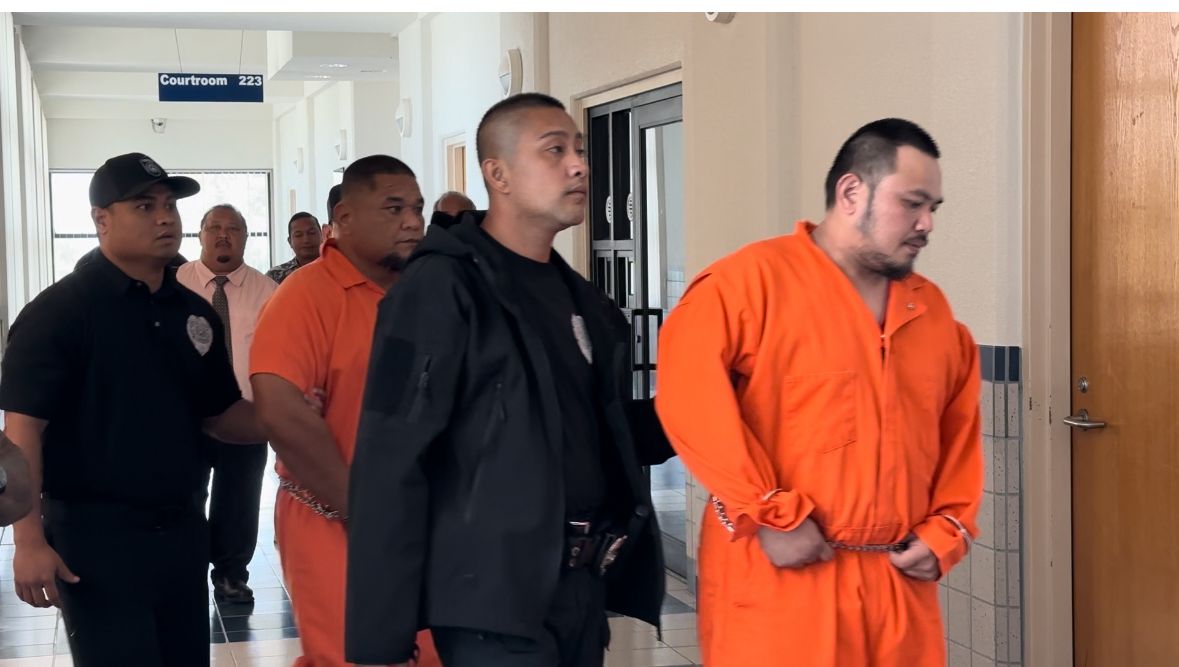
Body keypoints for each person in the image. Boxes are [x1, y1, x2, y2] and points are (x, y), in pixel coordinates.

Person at [345, 93, 672, 667]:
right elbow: (391, 460)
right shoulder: (442, 289)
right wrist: (382, 637)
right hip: (490, 605)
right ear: (498, 174)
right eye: (554, 150)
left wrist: (719, 398)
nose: (579, 164)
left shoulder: (584, 302)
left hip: (577, 590)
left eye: (579, 149)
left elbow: (607, 436)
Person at [654, 118, 984, 666]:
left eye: (935, 208)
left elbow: (959, 436)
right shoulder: (747, 287)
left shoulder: (932, 312)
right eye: (913, 203)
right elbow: (690, 402)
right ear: (852, 192)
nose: (927, 223)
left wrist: (947, 530)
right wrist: (766, 513)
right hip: (780, 582)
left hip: (897, 589)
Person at [0, 152, 265, 666]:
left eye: (170, 205)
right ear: (101, 220)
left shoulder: (193, 314)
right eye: (145, 206)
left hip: (184, 531)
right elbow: (22, 433)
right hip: (97, 541)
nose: (166, 217)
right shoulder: (59, 314)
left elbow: (220, 415)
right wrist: (28, 542)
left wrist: (293, 416)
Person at [250, 155, 439, 667]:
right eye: (394, 208)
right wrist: (369, 513)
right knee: (354, 654)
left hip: (425, 521)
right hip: (335, 518)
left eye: (417, 208)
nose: (412, 221)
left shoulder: (425, 292)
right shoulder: (306, 294)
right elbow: (281, 409)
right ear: (345, 219)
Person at [176, 204, 278, 604]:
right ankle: (184, 570)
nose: (223, 234)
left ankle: (231, 575)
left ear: (245, 237)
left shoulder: (268, 291)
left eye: (232, 228)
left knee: (239, 501)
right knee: (185, 497)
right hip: (185, 418)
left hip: (247, 415)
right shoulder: (174, 285)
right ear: (199, 235)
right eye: (214, 227)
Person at [267, 212, 323, 284]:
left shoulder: (336, 269)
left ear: (322, 236)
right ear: (290, 242)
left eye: (311, 233)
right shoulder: (274, 276)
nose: (306, 240)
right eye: (298, 235)